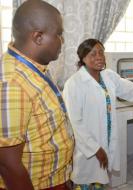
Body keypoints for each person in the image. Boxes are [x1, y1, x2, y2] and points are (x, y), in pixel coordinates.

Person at [63, 38, 133, 190]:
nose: (99, 57)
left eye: (101, 52)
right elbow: (76, 123)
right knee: (86, 180)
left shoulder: (108, 76)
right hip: (89, 147)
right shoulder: (74, 84)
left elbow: (132, 91)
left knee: (101, 180)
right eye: (93, 54)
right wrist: (96, 149)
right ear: (83, 58)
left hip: (107, 139)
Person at [0, 1, 74, 190]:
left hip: (54, 179)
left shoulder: (33, 67)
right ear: (38, 37)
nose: (62, 41)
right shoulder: (12, 83)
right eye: (59, 34)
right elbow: (8, 164)